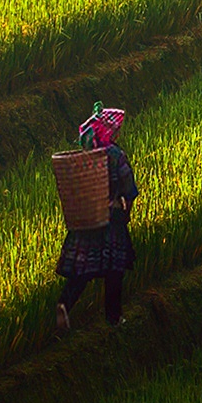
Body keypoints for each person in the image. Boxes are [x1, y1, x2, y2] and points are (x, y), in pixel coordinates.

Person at [56, 103, 137, 331]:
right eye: (117, 129)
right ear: (109, 131)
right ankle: (113, 318)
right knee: (114, 271)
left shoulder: (87, 154)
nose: (118, 133)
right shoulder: (115, 155)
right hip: (111, 219)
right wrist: (127, 212)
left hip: (87, 220)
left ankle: (64, 304)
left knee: (82, 270)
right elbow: (129, 188)